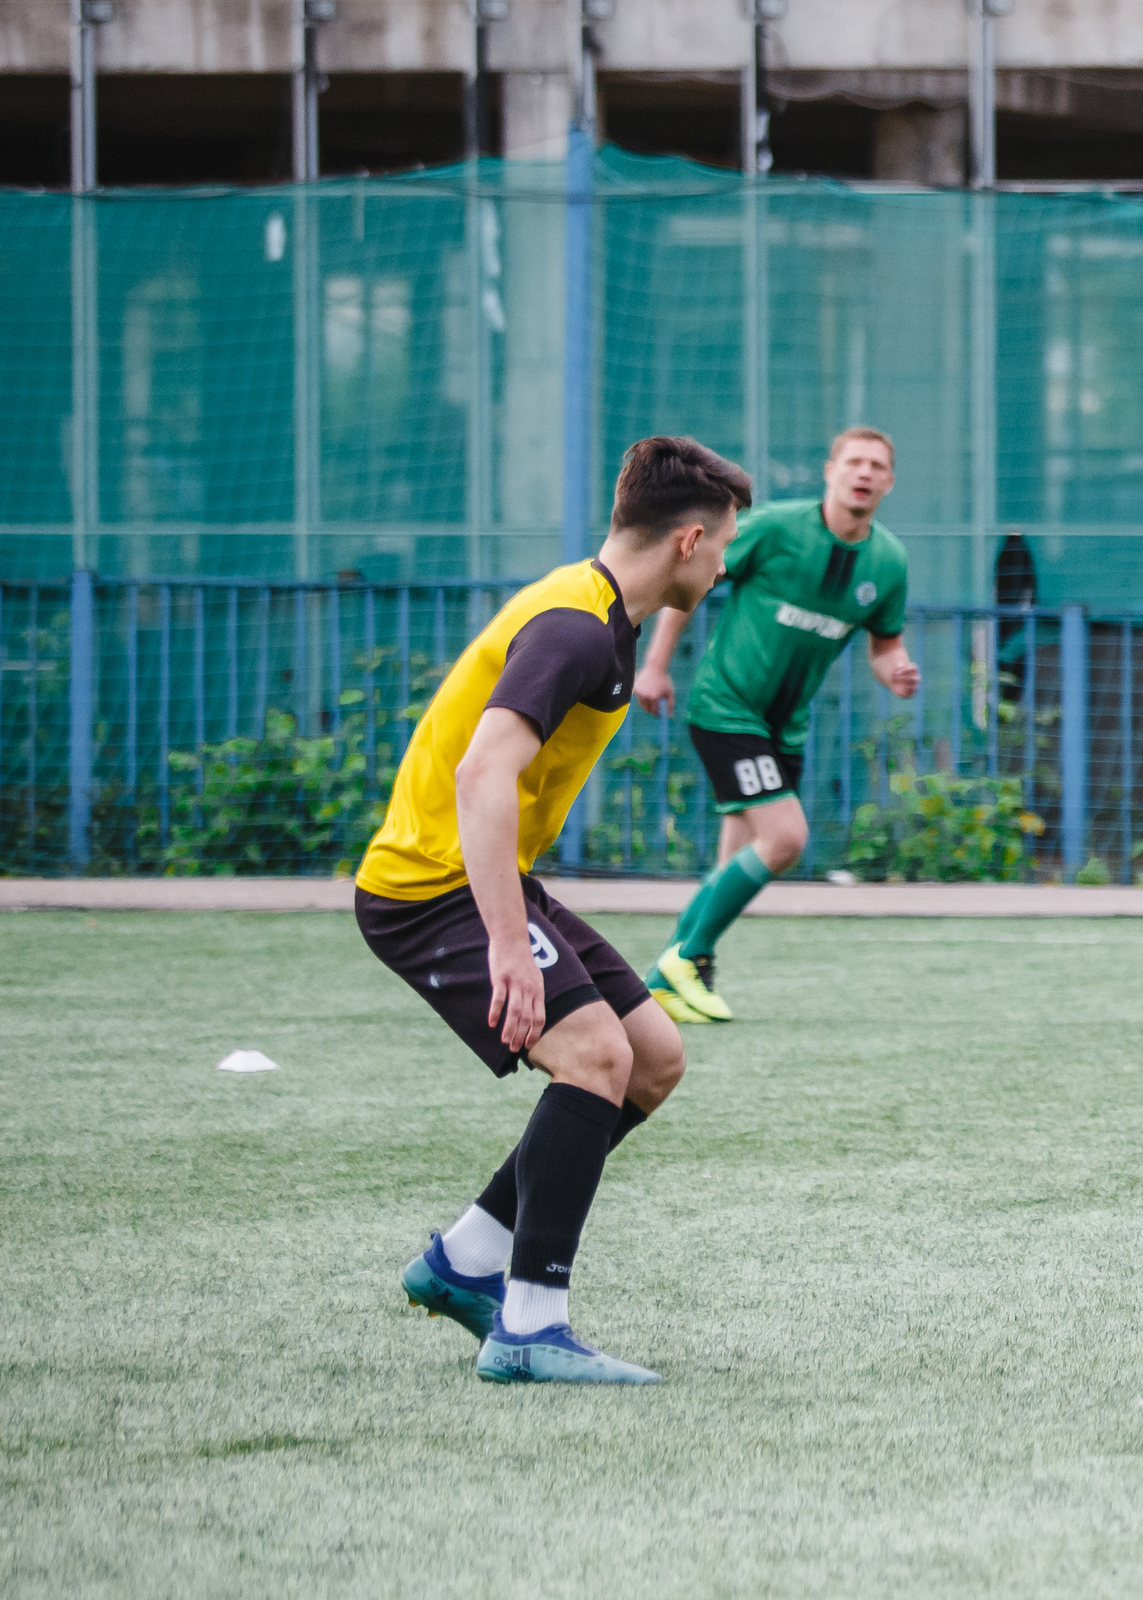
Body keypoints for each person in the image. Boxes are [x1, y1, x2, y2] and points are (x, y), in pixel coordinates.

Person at [358, 436, 752, 1382]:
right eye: (724, 544)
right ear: (689, 539)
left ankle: (464, 1261)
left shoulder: (599, 612)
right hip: (429, 889)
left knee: (651, 1057)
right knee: (595, 1056)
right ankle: (530, 1325)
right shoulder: (575, 626)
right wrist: (507, 942)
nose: (725, 566)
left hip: (490, 876)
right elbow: (481, 773)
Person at [633, 425, 919, 1023]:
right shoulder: (775, 528)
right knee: (786, 838)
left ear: (890, 483)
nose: (864, 473)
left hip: (784, 727)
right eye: (855, 462)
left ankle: (674, 975)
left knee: (738, 855)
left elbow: (885, 644)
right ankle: (680, 963)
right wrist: (655, 666)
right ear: (830, 471)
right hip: (727, 707)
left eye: (877, 466)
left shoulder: (888, 561)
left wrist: (894, 669)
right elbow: (690, 579)